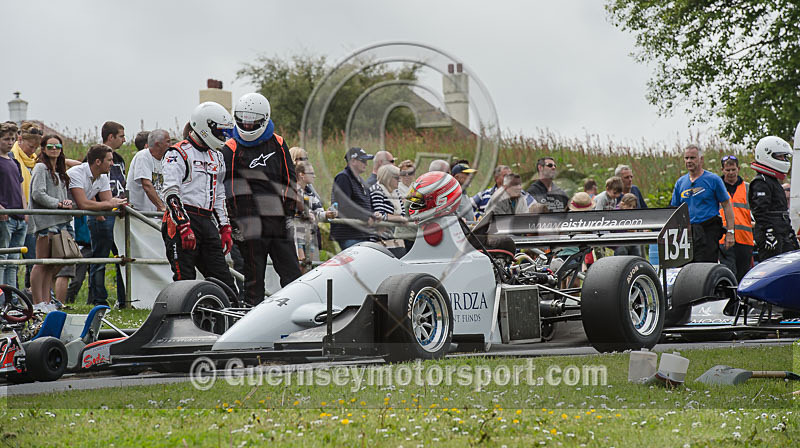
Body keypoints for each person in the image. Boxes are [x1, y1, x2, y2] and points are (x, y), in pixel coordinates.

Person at [222, 93, 300, 304]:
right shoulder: (230, 147)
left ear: (264, 118)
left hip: (277, 220)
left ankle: (296, 311)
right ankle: (251, 318)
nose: (247, 126)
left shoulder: (278, 142)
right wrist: (235, 223)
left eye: (252, 122)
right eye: (243, 121)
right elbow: (228, 189)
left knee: (292, 274)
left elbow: (289, 180)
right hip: (250, 223)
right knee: (254, 280)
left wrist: (289, 213)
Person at [162, 102, 237, 296]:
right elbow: (170, 192)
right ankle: (181, 322)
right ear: (205, 126)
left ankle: (228, 320)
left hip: (206, 220)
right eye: (220, 131)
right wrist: (183, 224)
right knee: (184, 281)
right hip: (181, 219)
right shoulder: (177, 153)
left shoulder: (217, 157)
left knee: (225, 282)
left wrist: (225, 227)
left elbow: (219, 194)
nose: (223, 137)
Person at [67, 144, 128, 307]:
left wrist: (119, 205)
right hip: (57, 219)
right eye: (109, 160)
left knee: (99, 259)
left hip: (68, 219)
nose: (112, 164)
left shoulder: (102, 177)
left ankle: (100, 300)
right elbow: (83, 204)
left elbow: (109, 203)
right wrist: (110, 204)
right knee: (55, 264)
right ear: (98, 161)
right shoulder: (76, 173)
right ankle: (93, 299)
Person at [29, 135, 74, 311]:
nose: (54, 149)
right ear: (44, 148)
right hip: (45, 222)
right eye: (50, 146)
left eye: (57, 146)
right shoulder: (40, 168)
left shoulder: (60, 170)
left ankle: (47, 301)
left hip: (60, 221)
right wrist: (58, 204)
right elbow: (37, 193)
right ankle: (37, 301)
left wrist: (67, 203)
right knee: (41, 262)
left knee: (51, 264)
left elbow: (61, 195)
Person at [670, 144, 735, 263]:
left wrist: (730, 232)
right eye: (686, 158)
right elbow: (675, 209)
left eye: (692, 158)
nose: (689, 161)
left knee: (705, 268)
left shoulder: (713, 180)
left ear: (701, 159)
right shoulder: (680, 183)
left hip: (708, 230)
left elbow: (727, 205)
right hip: (688, 232)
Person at [87, 121, 127, 308]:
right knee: (100, 258)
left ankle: (124, 299)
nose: (124, 140)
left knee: (123, 259)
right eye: (121, 136)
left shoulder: (119, 159)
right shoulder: (94, 156)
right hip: (102, 216)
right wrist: (97, 210)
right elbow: (87, 183)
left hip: (118, 215)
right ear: (110, 137)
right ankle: (98, 300)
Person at [748, 136, 799, 261]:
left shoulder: (774, 182)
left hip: (782, 232)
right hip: (771, 236)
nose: (784, 160)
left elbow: (781, 212)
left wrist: (790, 234)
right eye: (780, 156)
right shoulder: (761, 182)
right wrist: (769, 233)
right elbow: (760, 212)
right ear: (767, 155)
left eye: (784, 157)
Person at [289, 161, 336, 271]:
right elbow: (293, 213)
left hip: (310, 236)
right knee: (299, 268)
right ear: (301, 174)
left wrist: (328, 214)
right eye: (311, 173)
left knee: (310, 269)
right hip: (296, 236)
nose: (314, 176)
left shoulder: (311, 192)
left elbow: (317, 213)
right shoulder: (291, 191)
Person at [331, 147, 379, 250]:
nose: (366, 164)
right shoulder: (343, 178)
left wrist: (374, 214)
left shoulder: (360, 180)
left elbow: (366, 204)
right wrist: (367, 217)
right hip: (349, 234)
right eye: (363, 160)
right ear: (352, 161)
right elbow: (344, 206)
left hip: (361, 233)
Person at [716, 155, 754, 281]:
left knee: (744, 277)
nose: (731, 173)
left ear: (738, 169)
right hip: (723, 240)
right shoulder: (716, 189)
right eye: (728, 170)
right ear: (722, 170)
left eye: (733, 169)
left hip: (744, 239)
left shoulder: (748, 188)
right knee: (728, 275)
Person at [0, 122, 27, 289]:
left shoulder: (13, 161)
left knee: (13, 262)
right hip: (5, 216)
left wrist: (25, 211)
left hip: (19, 216)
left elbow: (20, 188)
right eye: (5, 139)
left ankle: (12, 298)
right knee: (2, 260)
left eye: (12, 139)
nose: (10, 142)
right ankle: (1, 299)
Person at [369, 164, 408, 257]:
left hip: (392, 236)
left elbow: (403, 214)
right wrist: (399, 219)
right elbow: (380, 215)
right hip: (378, 238)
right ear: (388, 178)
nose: (399, 180)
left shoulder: (396, 192)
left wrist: (396, 218)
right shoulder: (377, 190)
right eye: (396, 178)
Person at [127, 129, 168, 212]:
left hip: (155, 215)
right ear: (158, 144)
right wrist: (161, 207)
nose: (170, 145)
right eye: (168, 142)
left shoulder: (164, 159)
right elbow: (147, 185)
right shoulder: (143, 156)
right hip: (140, 214)